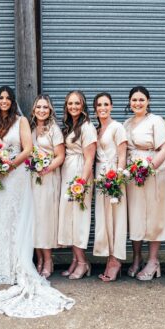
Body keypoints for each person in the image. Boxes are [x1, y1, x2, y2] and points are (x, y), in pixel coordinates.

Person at [0, 86, 74, 318]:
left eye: (7, 98)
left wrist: (8, 165)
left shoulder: (21, 121)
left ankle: (15, 266)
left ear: (12, 101)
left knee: (14, 218)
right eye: (0, 98)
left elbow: (28, 149)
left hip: (15, 175)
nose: (4, 101)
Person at [123, 86, 165, 281]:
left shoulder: (156, 121)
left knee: (154, 216)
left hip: (154, 173)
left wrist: (149, 167)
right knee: (136, 215)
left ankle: (153, 261)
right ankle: (137, 257)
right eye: (134, 100)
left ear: (148, 101)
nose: (137, 103)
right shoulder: (127, 123)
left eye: (141, 100)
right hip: (133, 175)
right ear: (129, 102)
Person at [58, 90, 97, 280]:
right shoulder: (70, 125)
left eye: (77, 103)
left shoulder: (87, 127)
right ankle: (75, 259)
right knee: (69, 218)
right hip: (67, 172)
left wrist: (82, 182)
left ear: (83, 106)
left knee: (79, 218)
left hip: (80, 173)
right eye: (70, 103)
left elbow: (90, 159)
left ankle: (83, 262)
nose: (73, 107)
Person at [92, 92, 128, 282]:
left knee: (115, 218)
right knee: (104, 219)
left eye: (106, 104)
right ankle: (109, 257)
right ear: (95, 108)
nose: (103, 108)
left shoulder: (117, 127)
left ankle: (115, 261)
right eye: (99, 105)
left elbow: (122, 155)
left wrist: (118, 177)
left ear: (111, 106)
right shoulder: (97, 129)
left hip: (113, 175)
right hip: (100, 176)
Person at [29, 95, 65, 279]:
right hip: (33, 179)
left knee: (45, 218)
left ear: (50, 110)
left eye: (45, 107)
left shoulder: (54, 130)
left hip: (48, 178)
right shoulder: (31, 128)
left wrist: (46, 168)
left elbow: (60, 156)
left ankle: (48, 260)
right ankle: (39, 259)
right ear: (34, 110)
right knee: (34, 219)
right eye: (38, 107)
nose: (42, 110)